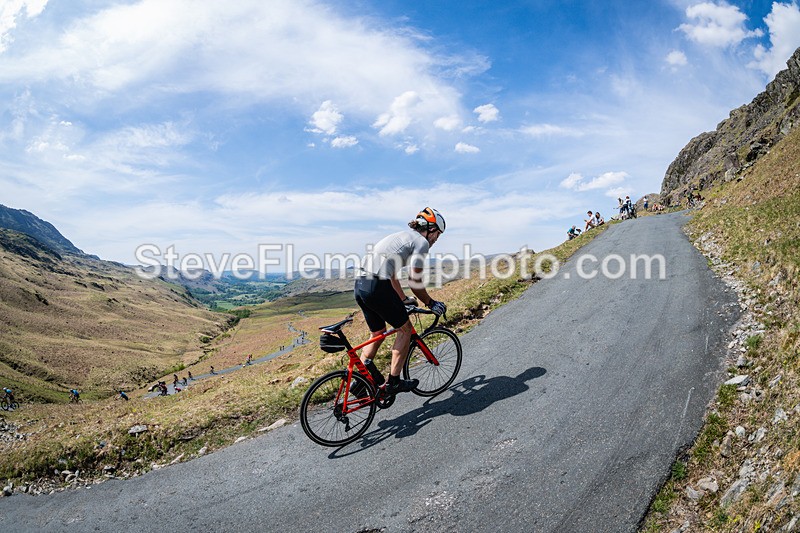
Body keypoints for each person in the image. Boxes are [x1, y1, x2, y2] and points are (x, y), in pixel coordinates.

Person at [354, 207, 447, 395]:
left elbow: (393, 276)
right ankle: (394, 382)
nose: (437, 239)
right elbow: (414, 280)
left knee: (377, 332)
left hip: (360, 285)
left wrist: (403, 299)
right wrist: (431, 303)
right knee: (404, 330)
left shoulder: (402, 237)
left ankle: (360, 380)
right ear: (430, 229)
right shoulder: (421, 243)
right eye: (437, 234)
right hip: (377, 286)